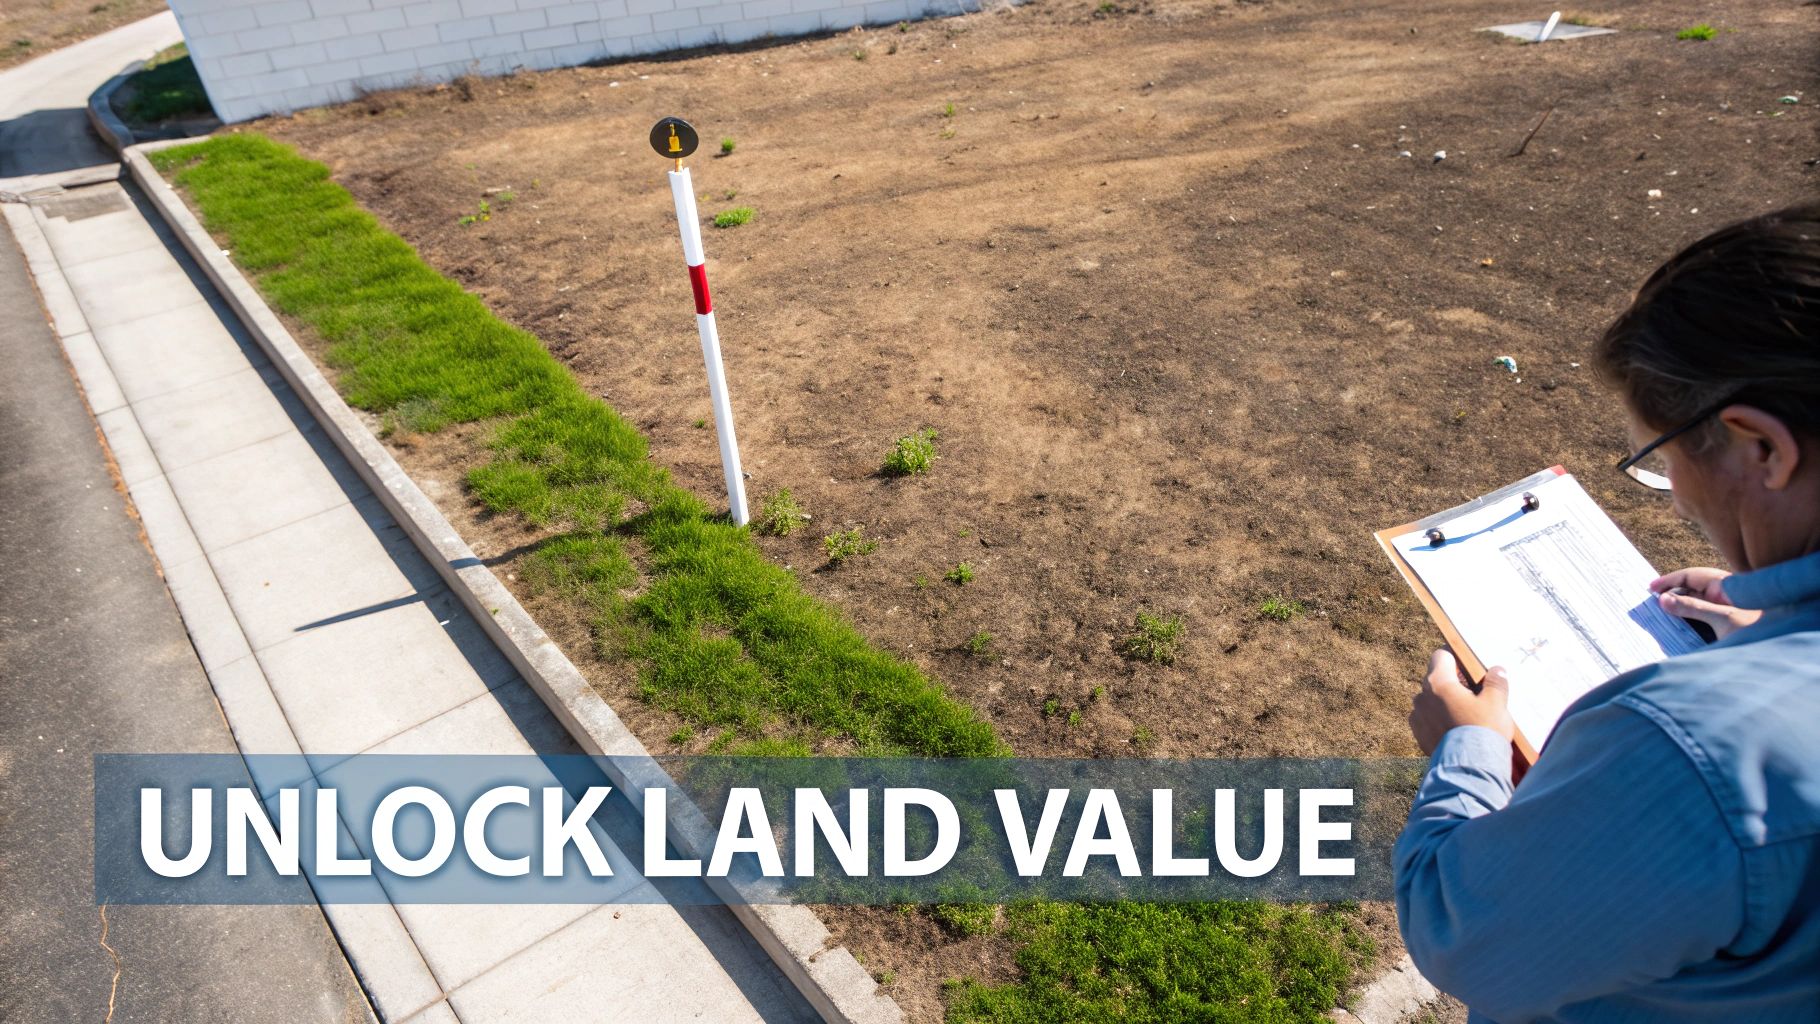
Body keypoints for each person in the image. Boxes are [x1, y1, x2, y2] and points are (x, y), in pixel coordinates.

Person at [1394, 204, 1820, 1023]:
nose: (1679, 496)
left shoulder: (1689, 750)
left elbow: (1469, 941)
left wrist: (1467, 751)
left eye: (1661, 457)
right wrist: (1775, 632)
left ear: (1763, 447)